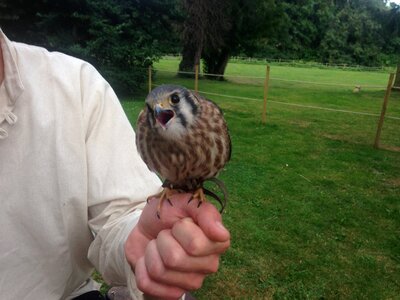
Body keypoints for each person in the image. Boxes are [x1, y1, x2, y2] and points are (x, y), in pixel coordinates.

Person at [0, 28, 230, 299]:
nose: (158, 112)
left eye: (171, 102)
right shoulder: (149, 126)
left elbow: (122, 213)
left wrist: (143, 244)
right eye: (153, 107)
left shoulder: (77, 85)